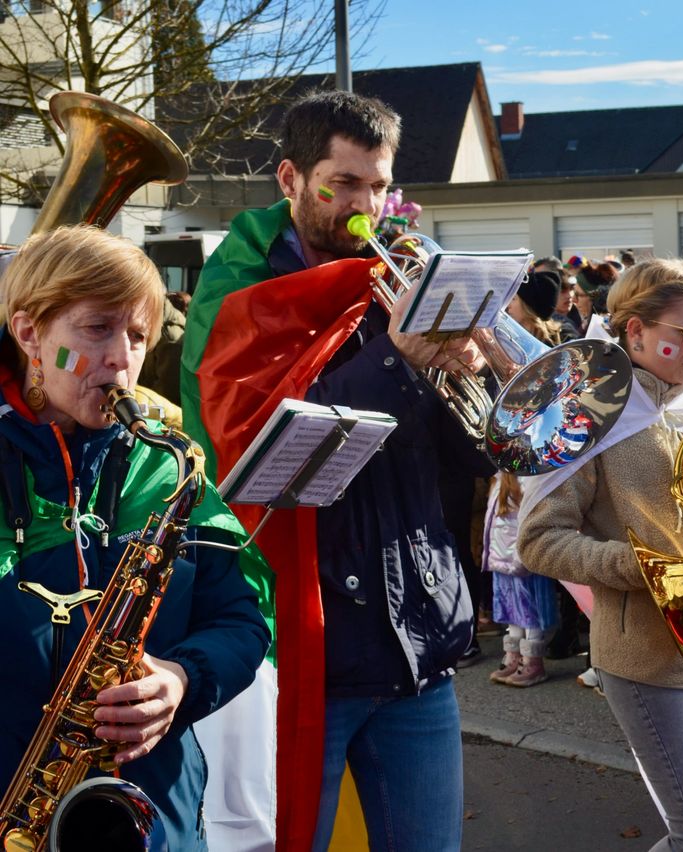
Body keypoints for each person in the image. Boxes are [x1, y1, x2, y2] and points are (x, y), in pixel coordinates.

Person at [181, 89, 496, 851]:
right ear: (291, 180)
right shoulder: (239, 289)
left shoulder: (400, 276)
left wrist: (468, 378)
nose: (366, 208)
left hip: (414, 638)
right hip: (304, 644)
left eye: (380, 186)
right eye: (345, 184)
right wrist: (398, 358)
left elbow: (467, 458)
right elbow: (270, 439)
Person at [0, 225, 271, 851]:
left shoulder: (170, 464)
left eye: (139, 335)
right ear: (30, 333)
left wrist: (181, 679)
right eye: (97, 328)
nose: (123, 357)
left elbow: (239, 621)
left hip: (152, 816)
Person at [517, 257, 683, 851]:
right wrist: (639, 566)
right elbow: (537, 539)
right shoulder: (589, 418)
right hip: (646, 650)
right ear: (634, 333)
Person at [484, 274, 560, 687]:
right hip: (508, 478)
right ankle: (514, 652)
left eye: (514, 304)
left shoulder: (539, 352)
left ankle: (533, 657)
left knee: (529, 582)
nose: (508, 310)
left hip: (531, 474)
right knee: (508, 580)